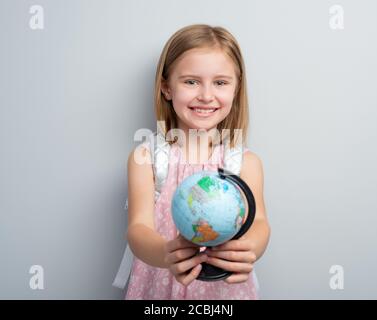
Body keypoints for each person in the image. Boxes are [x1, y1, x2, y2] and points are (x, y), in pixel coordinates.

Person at [123, 24, 270, 299]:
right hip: (160, 287)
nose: (205, 95)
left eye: (221, 82)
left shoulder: (244, 162)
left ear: (236, 89)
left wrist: (249, 248)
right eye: (191, 81)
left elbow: (259, 222)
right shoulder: (147, 160)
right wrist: (166, 254)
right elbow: (138, 228)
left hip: (223, 293)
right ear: (166, 88)